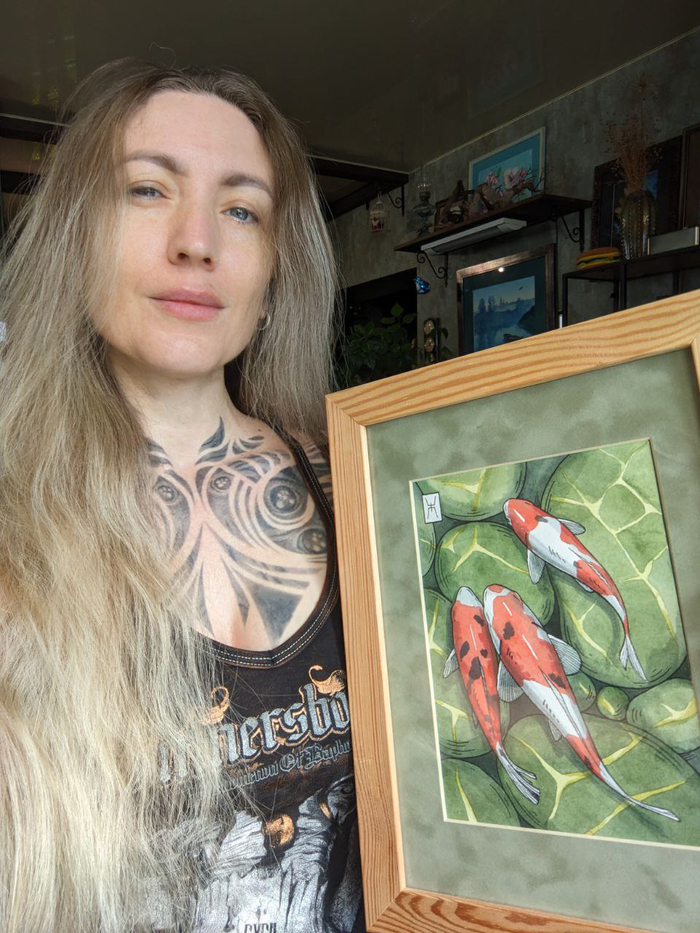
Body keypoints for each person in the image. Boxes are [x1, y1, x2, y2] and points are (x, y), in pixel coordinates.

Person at [0, 60, 365, 933]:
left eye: (241, 209)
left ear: (273, 274)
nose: (196, 241)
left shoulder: (357, 481)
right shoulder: (16, 521)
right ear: (76, 238)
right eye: (147, 190)